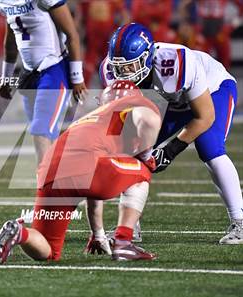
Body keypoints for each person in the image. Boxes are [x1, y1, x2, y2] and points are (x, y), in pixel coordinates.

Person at [0, 80, 162, 263]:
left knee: (49, 251)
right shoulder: (131, 105)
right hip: (87, 167)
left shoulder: (89, 118)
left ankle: (19, 233)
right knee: (143, 170)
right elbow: (149, 120)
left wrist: (98, 234)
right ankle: (124, 243)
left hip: (50, 173)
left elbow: (93, 190)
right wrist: (146, 155)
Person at [99, 22, 242, 244]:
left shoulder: (176, 62)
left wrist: (170, 150)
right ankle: (129, 226)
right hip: (172, 101)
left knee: (209, 146)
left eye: (130, 66)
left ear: (147, 57)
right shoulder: (110, 71)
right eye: (119, 67)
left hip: (213, 90)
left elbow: (205, 116)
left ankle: (240, 221)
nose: (123, 73)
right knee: (128, 150)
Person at [0, 0, 87, 165]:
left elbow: (72, 35)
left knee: (40, 131)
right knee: (44, 136)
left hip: (53, 68)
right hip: (29, 73)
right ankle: (55, 184)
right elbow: (10, 42)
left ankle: (43, 188)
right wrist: (6, 76)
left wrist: (77, 77)